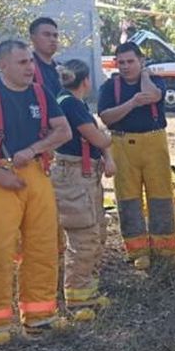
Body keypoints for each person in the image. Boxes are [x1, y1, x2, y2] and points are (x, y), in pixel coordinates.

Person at [0, 39, 71, 344]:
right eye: (22, 62)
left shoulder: (41, 93)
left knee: (42, 247)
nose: (30, 67)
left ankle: (40, 316)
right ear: (3, 64)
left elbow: (63, 130)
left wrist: (34, 149)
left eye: (31, 61)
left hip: (36, 175)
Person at [97, 42, 174, 270]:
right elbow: (106, 117)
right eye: (121, 62)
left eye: (131, 61)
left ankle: (165, 248)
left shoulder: (155, 80)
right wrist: (131, 103)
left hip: (154, 142)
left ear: (141, 61)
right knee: (128, 199)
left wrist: (145, 75)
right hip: (122, 144)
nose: (125, 66)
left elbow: (153, 96)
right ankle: (137, 250)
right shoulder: (110, 87)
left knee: (161, 196)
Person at [52, 59, 116, 321]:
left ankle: (88, 291)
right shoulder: (70, 104)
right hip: (75, 177)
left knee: (95, 232)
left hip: (85, 176)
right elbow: (98, 138)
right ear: (86, 81)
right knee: (83, 237)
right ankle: (78, 298)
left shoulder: (72, 103)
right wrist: (109, 137)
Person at [28, 16, 62, 98]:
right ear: (33, 38)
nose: (53, 39)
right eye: (47, 35)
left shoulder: (61, 69)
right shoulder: (27, 68)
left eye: (55, 36)